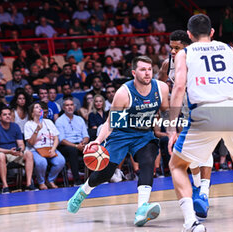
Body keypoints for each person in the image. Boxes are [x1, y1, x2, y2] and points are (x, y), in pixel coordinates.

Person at [167, 14, 233, 232]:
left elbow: (178, 88)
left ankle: (191, 223)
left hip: (206, 110)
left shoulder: (185, 53)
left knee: (176, 165)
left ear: (189, 35)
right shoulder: (231, 51)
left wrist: (170, 128)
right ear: (212, 32)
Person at [67, 56, 169, 227]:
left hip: (143, 135)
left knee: (148, 161)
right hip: (121, 134)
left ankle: (141, 209)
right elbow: (110, 123)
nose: (147, 73)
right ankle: (83, 192)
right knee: (106, 173)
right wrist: (98, 141)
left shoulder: (161, 88)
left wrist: (172, 131)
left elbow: (166, 111)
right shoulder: (124, 93)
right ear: (134, 73)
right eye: (143, 69)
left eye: (150, 69)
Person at [159, 29, 213, 218]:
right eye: (171, 47)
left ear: (186, 46)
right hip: (182, 111)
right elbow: (160, 87)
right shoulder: (167, 64)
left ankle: (203, 192)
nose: (173, 51)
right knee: (190, 153)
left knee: (204, 150)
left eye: (177, 47)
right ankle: (200, 191)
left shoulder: (198, 60)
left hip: (203, 108)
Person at [0, 107, 35, 193]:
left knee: (28, 153)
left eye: (9, 114)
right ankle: (5, 186)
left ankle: (29, 184)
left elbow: (21, 144)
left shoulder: (15, 126)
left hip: (14, 152)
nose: (7, 116)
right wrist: (9, 151)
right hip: (1, 152)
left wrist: (20, 150)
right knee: (1, 156)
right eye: (5, 114)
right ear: (0, 117)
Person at [24, 103, 65, 190]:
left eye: (40, 107)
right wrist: (37, 130)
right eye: (37, 107)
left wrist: (53, 149)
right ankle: (41, 182)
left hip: (50, 148)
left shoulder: (49, 122)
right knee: (42, 162)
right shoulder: (28, 124)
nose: (40, 109)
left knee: (60, 161)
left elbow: (56, 138)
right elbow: (30, 142)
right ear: (32, 112)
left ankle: (50, 180)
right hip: (35, 150)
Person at [56, 97, 89, 186]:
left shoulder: (79, 119)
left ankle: (97, 178)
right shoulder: (59, 121)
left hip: (81, 144)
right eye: (67, 105)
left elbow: (86, 135)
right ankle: (77, 181)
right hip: (66, 146)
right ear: (63, 108)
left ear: (74, 107)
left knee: (93, 147)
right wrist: (76, 146)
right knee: (72, 150)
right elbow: (61, 140)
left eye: (71, 105)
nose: (70, 107)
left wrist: (83, 143)